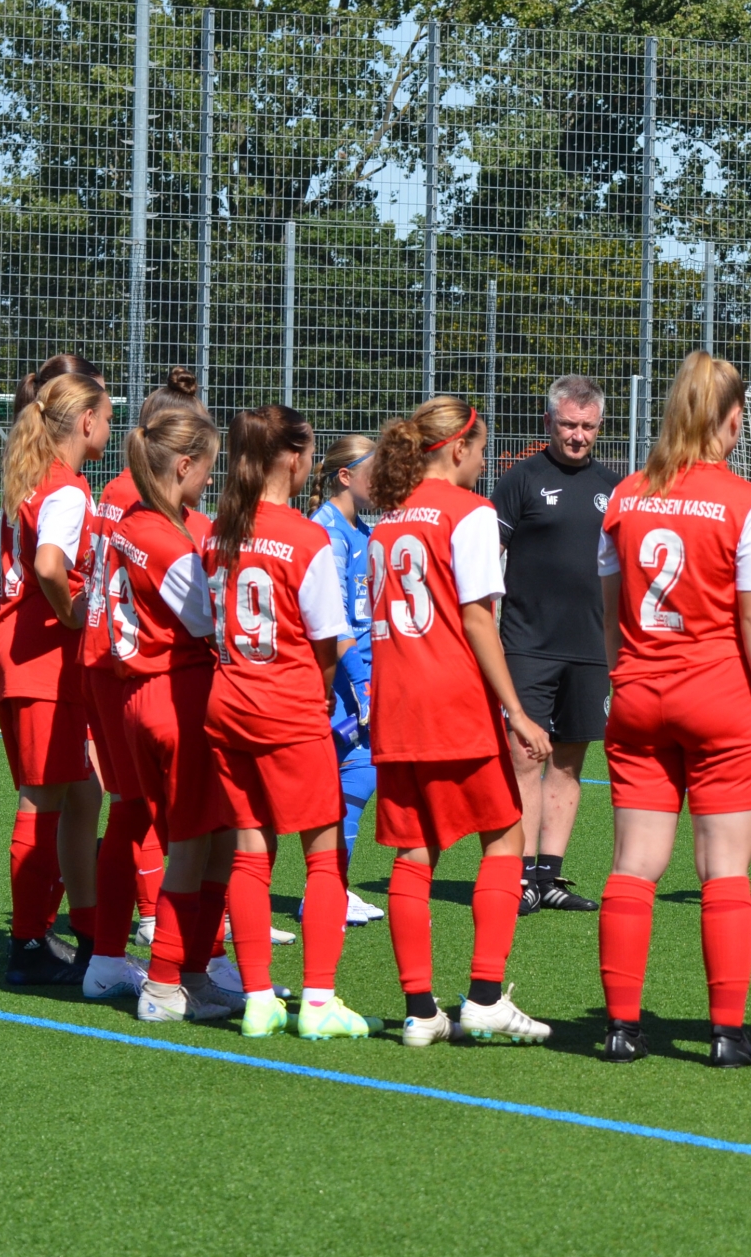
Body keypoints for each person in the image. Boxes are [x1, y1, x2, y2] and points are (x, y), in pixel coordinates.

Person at [595, 351, 751, 1067]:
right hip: (717, 696)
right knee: (725, 869)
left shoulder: (626, 496)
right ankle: (725, 1031)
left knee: (634, 863)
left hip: (640, 692)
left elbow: (611, 606)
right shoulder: (746, 502)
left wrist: (627, 671)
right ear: (731, 417)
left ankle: (620, 1027)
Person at [369, 396, 555, 1048]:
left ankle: (420, 1011)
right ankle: (482, 997)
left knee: (412, 854)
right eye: (481, 448)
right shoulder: (471, 514)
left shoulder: (388, 519)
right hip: (450, 702)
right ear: (456, 448)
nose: (486, 459)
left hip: (395, 704)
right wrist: (516, 709)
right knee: (505, 839)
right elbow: (479, 619)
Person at [209, 406, 375, 1041]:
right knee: (324, 858)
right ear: (296, 459)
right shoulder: (307, 539)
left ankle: (256, 999)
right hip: (289, 710)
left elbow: (206, 623)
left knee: (250, 855)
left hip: (228, 706)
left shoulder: (221, 528)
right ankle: (317, 1002)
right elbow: (331, 642)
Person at [110, 403, 243, 1024]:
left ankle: (192, 971)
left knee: (212, 838)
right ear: (184, 465)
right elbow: (205, 625)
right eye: (207, 470)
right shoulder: (163, 538)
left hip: (143, 694)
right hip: (174, 694)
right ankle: (164, 985)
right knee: (191, 844)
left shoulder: (136, 520)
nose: (211, 482)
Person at [81, 366, 200, 1001]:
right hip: (136, 665)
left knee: (131, 808)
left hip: (106, 654)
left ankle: (118, 945)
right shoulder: (145, 500)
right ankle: (171, 941)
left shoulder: (119, 488)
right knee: (162, 813)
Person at [0, 368, 111, 986]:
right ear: (85, 422)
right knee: (44, 799)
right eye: (108, 416)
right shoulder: (67, 490)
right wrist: (73, 614)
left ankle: (91, 937)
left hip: (18, 653)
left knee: (83, 793)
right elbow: (48, 566)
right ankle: (29, 944)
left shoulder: (35, 477)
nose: (111, 428)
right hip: (41, 659)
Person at [491, 374, 622, 914]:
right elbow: (487, 559)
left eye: (587, 427)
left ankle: (550, 877)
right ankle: (518, 876)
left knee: (568, 762)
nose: (577, 436)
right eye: (568, 425)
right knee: (524, 758)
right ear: (548, 422)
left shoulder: (616, 487)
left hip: (590, 647)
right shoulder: (519, 480)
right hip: (526, 645)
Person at [309, 435, 387, 926]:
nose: (381, 480)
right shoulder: (326, 532)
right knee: (303, 784)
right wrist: (360, 686)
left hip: (361, 668)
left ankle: (331, 888)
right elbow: (333, 623)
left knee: (359, 769)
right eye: (373, 470)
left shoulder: (363, 529)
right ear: (345, 476)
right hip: (335, 672)